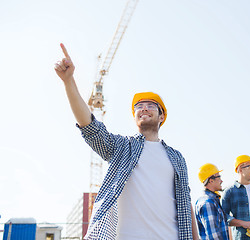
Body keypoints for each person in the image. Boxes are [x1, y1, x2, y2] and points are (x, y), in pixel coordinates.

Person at [54, 43, 198, 240]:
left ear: (162, 116)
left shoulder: (177, 157)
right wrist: (69, 82)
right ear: (135, 116)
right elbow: (90, 126)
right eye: (139, 106)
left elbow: (185, 200)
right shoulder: (122, 147)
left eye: (150, 105)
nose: (144, 108)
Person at [195, 163, 229, 240]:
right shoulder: (208, 203)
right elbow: (213, 236)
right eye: (219, 177)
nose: (221, 180)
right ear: (211, 181)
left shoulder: (210, 200)